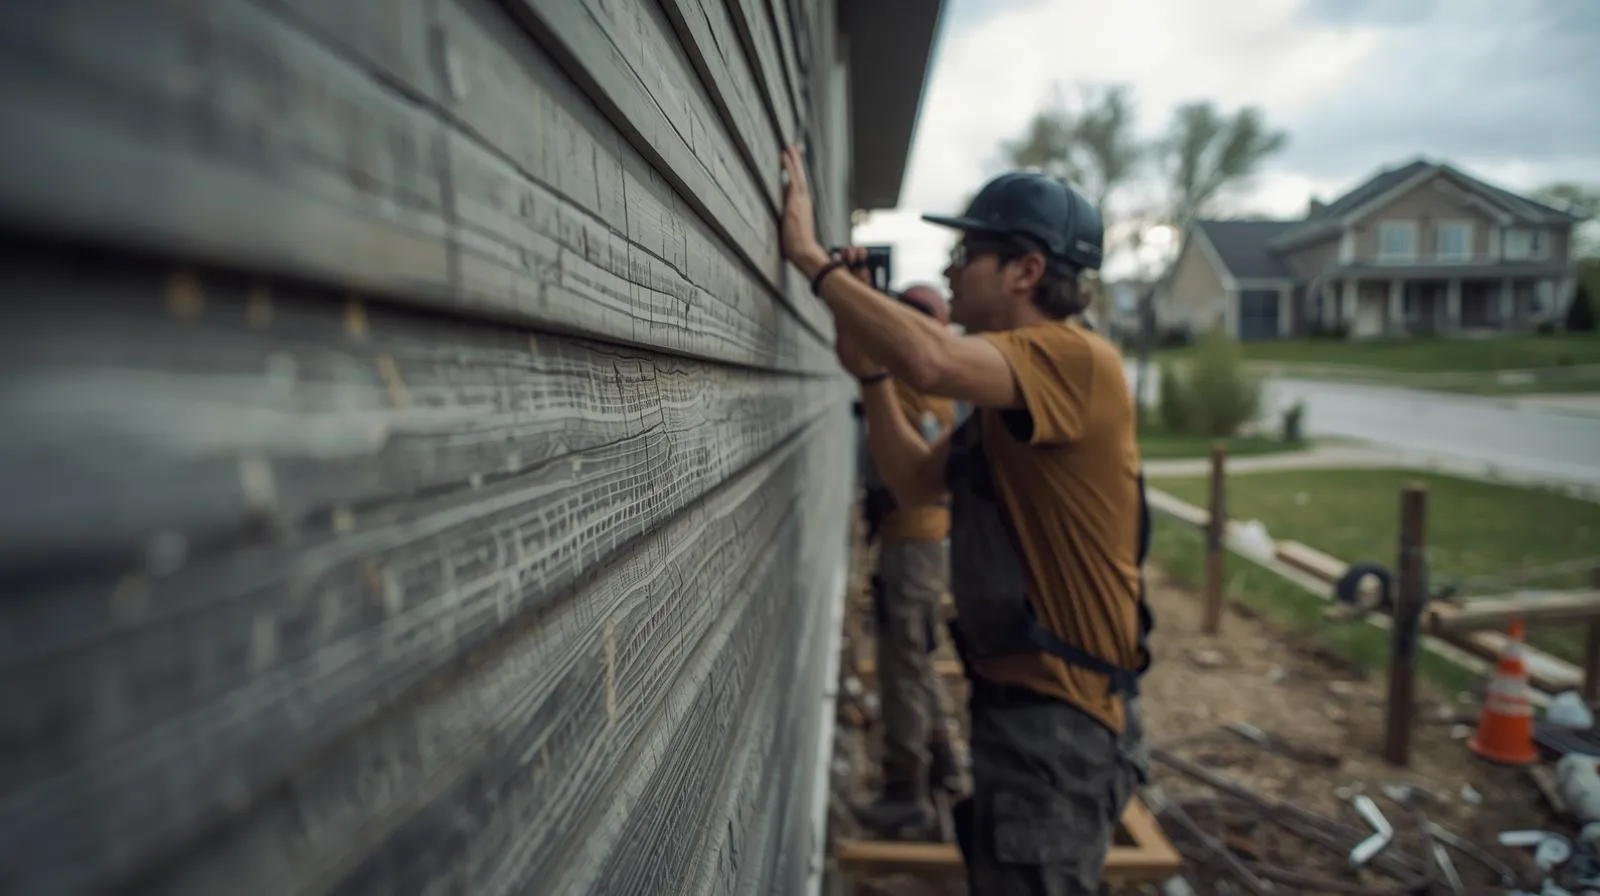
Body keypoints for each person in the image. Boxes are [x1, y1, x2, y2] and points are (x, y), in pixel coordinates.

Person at [779, 147, 1152, 894]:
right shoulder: (1008, 396)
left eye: (968, 253)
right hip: (1023, 710)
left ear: (1027, 272)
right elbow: (915, 480)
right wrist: (871, 375)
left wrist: (812, 261)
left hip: (1061, 721)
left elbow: (931, 359)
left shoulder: (1075, 359)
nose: (950, 270)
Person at [855, 284, 966, 837]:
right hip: (918, 544)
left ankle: (907, 792)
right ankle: (944, 766)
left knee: (902, 667)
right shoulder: (929, 380)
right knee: (915, 661)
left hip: (914, 546)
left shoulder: (918, 380)